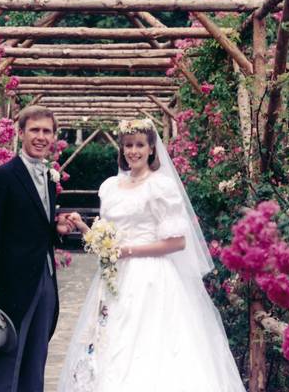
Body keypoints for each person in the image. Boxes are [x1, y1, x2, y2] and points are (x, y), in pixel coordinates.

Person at [58, 118, 246, 392]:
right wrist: (84, 226)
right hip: (114, 278)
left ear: (150, 149)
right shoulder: (110, 186)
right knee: (111, 342)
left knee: (150, 345)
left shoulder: (160, 187)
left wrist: (128, 251)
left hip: (151, 278)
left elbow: (177, 242)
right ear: (122, 150)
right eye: (128, 146)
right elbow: (107, 239)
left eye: (139, 145)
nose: (133, 151)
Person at [0, 105, 74, 392]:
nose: (41, 137)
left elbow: (29, 224)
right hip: (10, 285)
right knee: (8, 362)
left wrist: (55, 227)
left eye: (46, 131)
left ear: (54, 136)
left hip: (45, 280)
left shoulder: (47, 175)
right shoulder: (1, 176)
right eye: (34, 130)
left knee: (35, 361)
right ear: (21, 133)